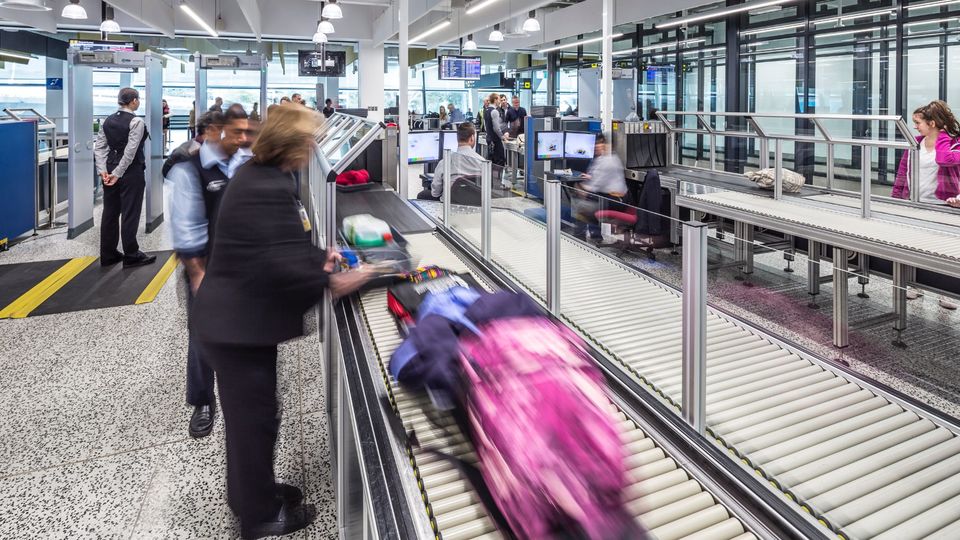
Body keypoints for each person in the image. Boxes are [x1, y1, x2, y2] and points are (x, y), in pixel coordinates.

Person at [191, 104, 371, 539]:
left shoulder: (260, 176)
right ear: (293, 145)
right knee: (254, 421)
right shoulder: (266, 186)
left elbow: (278, 246)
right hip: (235, 329)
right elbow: (281, 267)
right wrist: (345, 277)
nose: (314, 148)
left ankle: (254, 492)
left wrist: (317, 259)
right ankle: (259, 516)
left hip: (235, 323)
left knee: (255, 418)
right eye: (310, 140)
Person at [167, 107, 252, 439]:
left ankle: (239, 389)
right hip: (206, 265)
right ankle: (203, 401)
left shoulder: (243, 160)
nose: (243, 139)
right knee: (202, 335)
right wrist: (199, 275)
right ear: (214, 131)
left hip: (240, 263)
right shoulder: (187, 168)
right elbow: (186, 229)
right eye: (236, 132)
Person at [892, 100, 960, 309]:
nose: (915, 126)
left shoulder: (954, 144)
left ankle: (946, 292)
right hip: (916, 202)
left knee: (944, 250)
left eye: (918, 122)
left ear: (932, 123)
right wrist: (895, 199)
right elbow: (903, 172)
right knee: (915, 246)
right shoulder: (915, 144)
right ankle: (916, 285)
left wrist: (942, 136)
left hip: (943, 205)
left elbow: (944, 159)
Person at [93, 87, 156, 268]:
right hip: (130, 172)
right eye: (138, 100)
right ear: (134, 100)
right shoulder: (136, 122)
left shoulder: (108, 120)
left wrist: (103, 171)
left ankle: (108, 254)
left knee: (110, 213)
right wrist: (117, 174)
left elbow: (100, 147)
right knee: (130, 212)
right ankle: (131, 254)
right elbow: (130, 151)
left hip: (110, 169)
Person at [572, 133, 627, 242]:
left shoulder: (607, 161)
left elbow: (593, 187)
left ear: (606, 145)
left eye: (600, 143)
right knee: (587, 199)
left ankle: (579, 238)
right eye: (595, 144)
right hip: (610, 196)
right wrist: (589, 177)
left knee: (581, 205)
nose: (596, 146)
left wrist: (579, 188)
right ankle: (595, 234)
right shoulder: (605, 158)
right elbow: (599, 178)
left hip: (614, 200)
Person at [429, 122, 485, 199]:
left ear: (457, 138)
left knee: (423, 195)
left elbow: (435, 193)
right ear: (472, 137)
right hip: (476, 204)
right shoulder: (482, 162)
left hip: (449, 205)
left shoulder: (444, 162)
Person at [483, 93, 508, 171]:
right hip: (495, 140)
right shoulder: (494, 111)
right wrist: (502, 137)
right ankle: (499, 180)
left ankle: (491, 180)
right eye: (499, 99)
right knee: (500, 161)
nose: (500, 101)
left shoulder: (486, 110)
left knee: (492, 160)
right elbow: (496, 128)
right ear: (495, 100)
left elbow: (485, 126)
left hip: (489, 138)